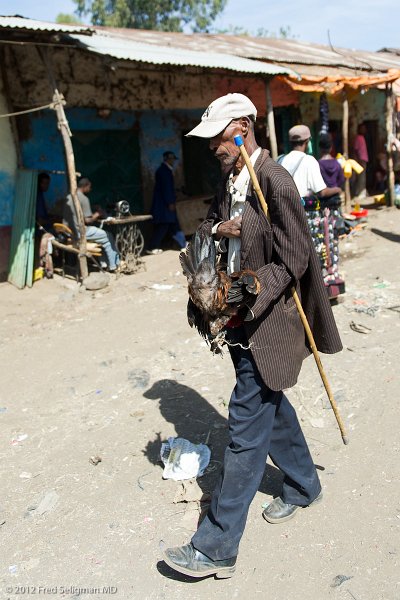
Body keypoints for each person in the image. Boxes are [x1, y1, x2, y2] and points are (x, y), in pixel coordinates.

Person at [163, 93, 342, 578]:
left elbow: (295, 258)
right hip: (238, 321)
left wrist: (252, 284)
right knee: (270, 406)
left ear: (242, 127)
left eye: (220, 138)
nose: (214, 149)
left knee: (244, 428)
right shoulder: (232, 180)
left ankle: (216, 546)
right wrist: (224, 229)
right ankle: (304, 484)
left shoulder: (275, 180)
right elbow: (215, 227)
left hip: (270, 322)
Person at [63, 177, 120, 272]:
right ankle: (114, 265)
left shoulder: (69, 196)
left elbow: (76, 212)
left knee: (101, 237)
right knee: (108, 236)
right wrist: (98, 214)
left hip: (67, 231)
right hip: (79, 231)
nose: (90, 189)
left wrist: (92, 208)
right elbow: (88, 221)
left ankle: (104, 263)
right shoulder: (84, 198)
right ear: (85, 186)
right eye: (89, 187)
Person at [280, 125, 342, 201]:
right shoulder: (309, 160)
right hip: (302, 209)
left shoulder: (281, 160)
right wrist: (338, 190)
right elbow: (322, 192)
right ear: (307, 142)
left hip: (285, 208)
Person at [147, 151, 186, 254]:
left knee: (172, 224)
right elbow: (166, 189)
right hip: (164, 204)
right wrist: (170, 202)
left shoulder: (164, 170)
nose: (173, 161)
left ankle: (183, 245)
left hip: (164, 203)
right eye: (172, 159)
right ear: (167, 159)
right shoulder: (164, 171)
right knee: (164, 225)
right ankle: (152, 247)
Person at [36, 172, 55, 278]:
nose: (47, 186)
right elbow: (40, 220)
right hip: (40, 228)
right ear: (39, 183)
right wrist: (51, 220)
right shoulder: (37, 196)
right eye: (45, 183)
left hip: (43, 226)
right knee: (50, 239)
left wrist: (50, 217)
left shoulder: (40, 195)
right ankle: (48, 269)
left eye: (48, 184)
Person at [352, 123, 369, 198]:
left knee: (362, 177)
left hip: (363, 159)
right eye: (362, 128)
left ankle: (362, 191)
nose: (364, 130)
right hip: (360, 160)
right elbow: (355, 150)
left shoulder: (362, 137)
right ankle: (360, 193)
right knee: (360, 177)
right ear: (359, 129)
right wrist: (357, 160)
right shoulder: (358, 137)